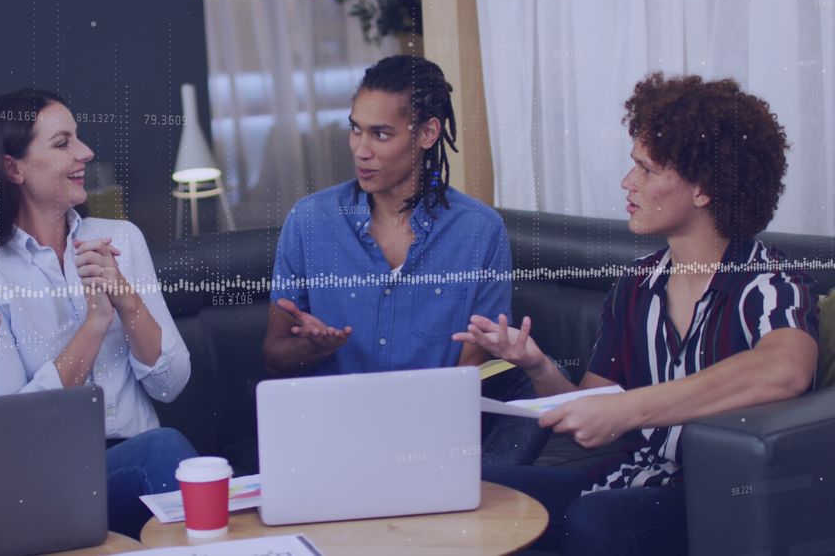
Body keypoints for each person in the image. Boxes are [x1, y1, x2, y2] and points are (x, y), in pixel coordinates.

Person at [459, 73, 820, 555]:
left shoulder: (771, 284)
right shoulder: (636, 285)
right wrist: (537, 367)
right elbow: (593, 416)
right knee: (471, 491)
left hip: (708, 497)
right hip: (623, 480)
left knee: (596, 521)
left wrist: (631, 406)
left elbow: (785, 369)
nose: (628, 182)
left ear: (703, 188)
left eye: (646, 169)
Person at [262, 54, 548, 465]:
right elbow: (274, 355)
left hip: (433, 440)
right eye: (355, 130)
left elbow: (469, 376)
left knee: (524, 385)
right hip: (334, 439)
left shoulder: (479, 232)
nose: (361, 150)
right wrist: (313, 347)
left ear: (428, 133)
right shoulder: (309, 221)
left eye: (381, 134)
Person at [0, 89, 195, 538]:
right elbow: (13, 429)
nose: (85, 152)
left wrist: (126, 297)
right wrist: (95, 324)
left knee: (171, 457)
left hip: (141, 455)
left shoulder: (122, 239)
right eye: (63, 143)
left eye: (77, 138)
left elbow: (171, 384)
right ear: (13, 168)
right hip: (47, 484)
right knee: (165, 452)